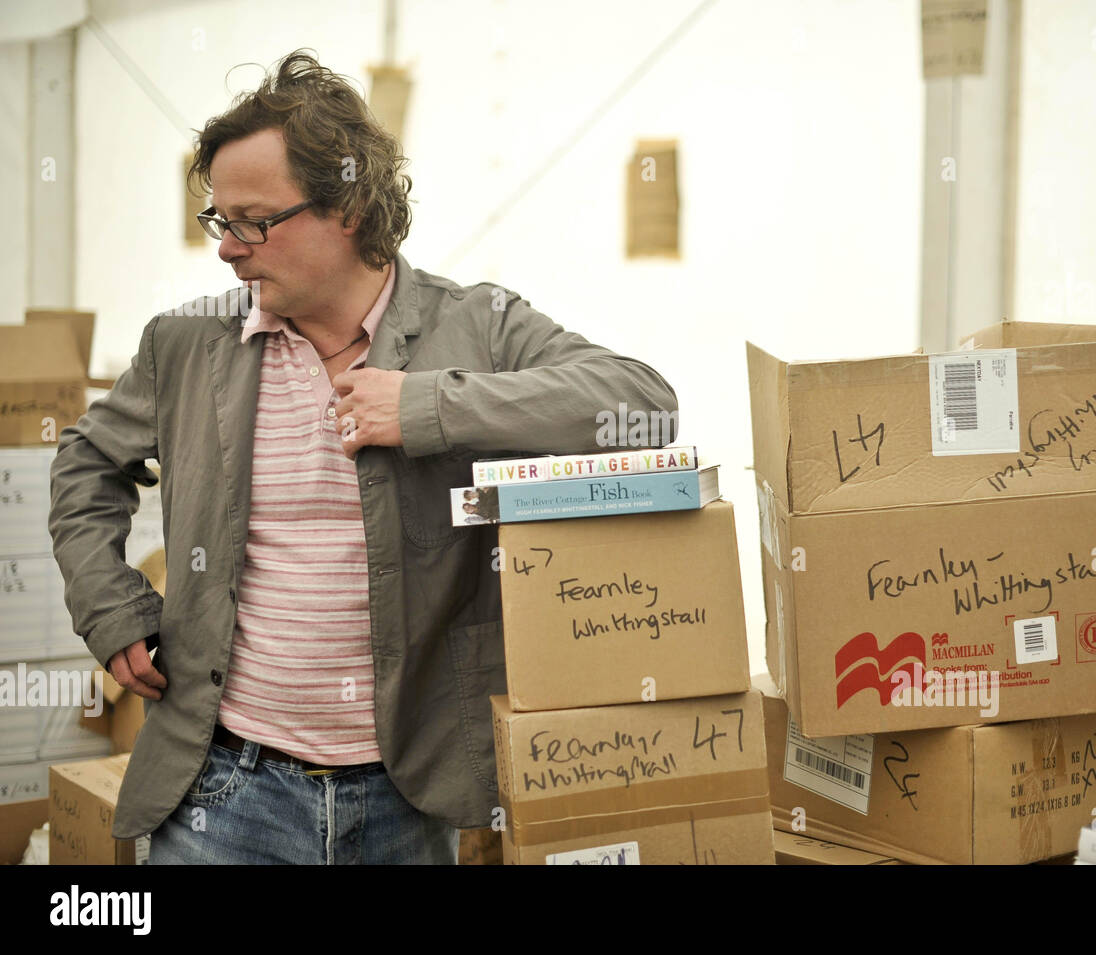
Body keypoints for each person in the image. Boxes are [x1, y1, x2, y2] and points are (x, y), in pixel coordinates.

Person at [47, 50, 677, 865]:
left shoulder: (476, 325)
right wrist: (110, 607)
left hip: (408, 804)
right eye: (219, 220)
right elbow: (84, 462)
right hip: (221, 797)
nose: (228, 250)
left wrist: (427, 406)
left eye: (253, 221)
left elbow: (642, 405)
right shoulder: (187, 342)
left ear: (346, 205)